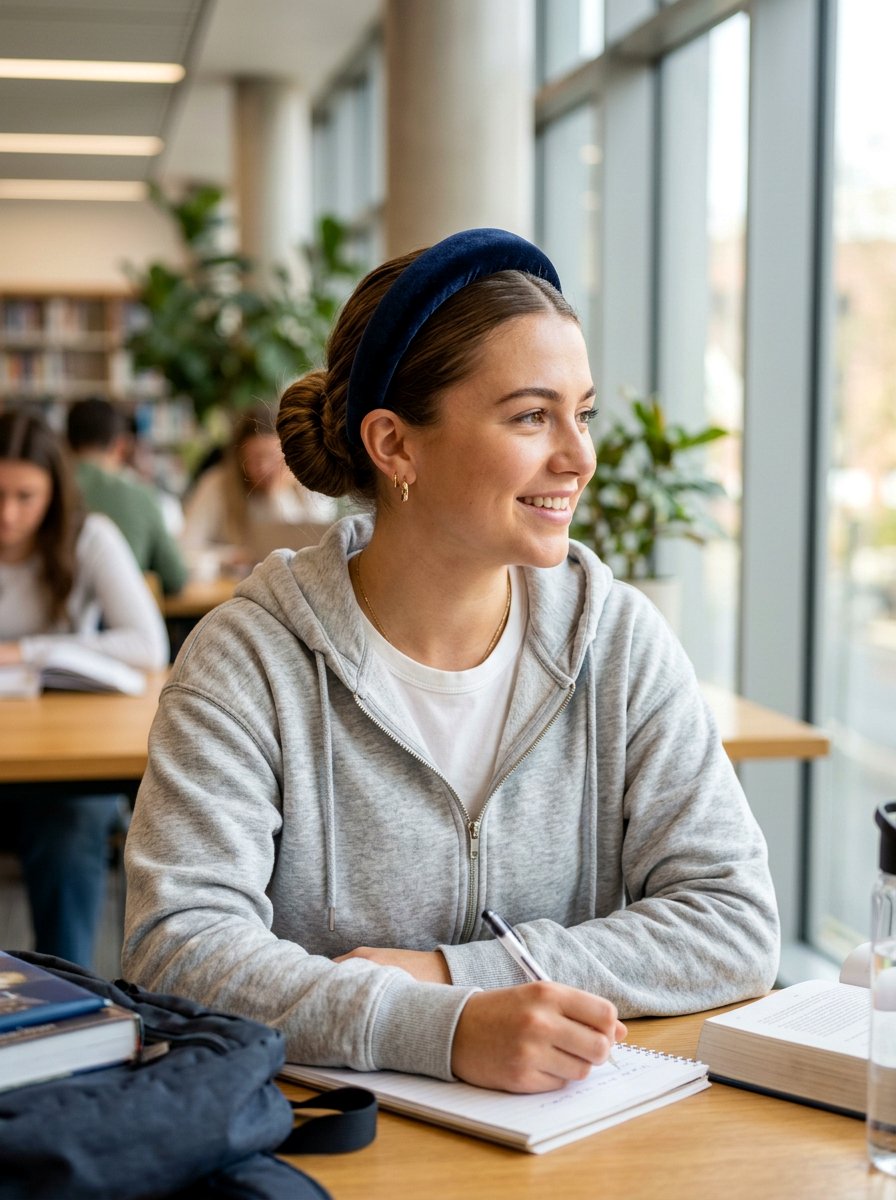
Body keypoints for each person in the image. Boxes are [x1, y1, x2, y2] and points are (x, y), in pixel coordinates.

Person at [123, 228, 779, 1094]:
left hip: (575, 1140)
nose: (579, 457)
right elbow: (176, 947)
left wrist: (452, 975)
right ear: (395, 445)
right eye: (532, 416)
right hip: (324, 1138)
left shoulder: (618, 639)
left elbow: (734, 922)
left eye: (582, 414)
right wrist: (442, 1028)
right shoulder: (248, 659)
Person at [0, 409, 169, 967]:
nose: (8, 514)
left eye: (25, 496)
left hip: (64, 754)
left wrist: (29, 650)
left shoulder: (89, 536)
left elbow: (148, 645)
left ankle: (67, 987)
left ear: (54, 492)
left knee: (71, 822)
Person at [179, 403, 337, 576]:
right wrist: (227, 557)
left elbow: (316, 548)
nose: (263, 467)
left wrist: (278, 495)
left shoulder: (310, 485)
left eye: (271, 457)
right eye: (254, 459)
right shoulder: (217, 485)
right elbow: (186, 548)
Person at [66, 397, 188, 596]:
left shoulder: (47, 490)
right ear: (121, 444)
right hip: (122, 607)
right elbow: (175, 577)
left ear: (65, 442)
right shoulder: (140, 494)